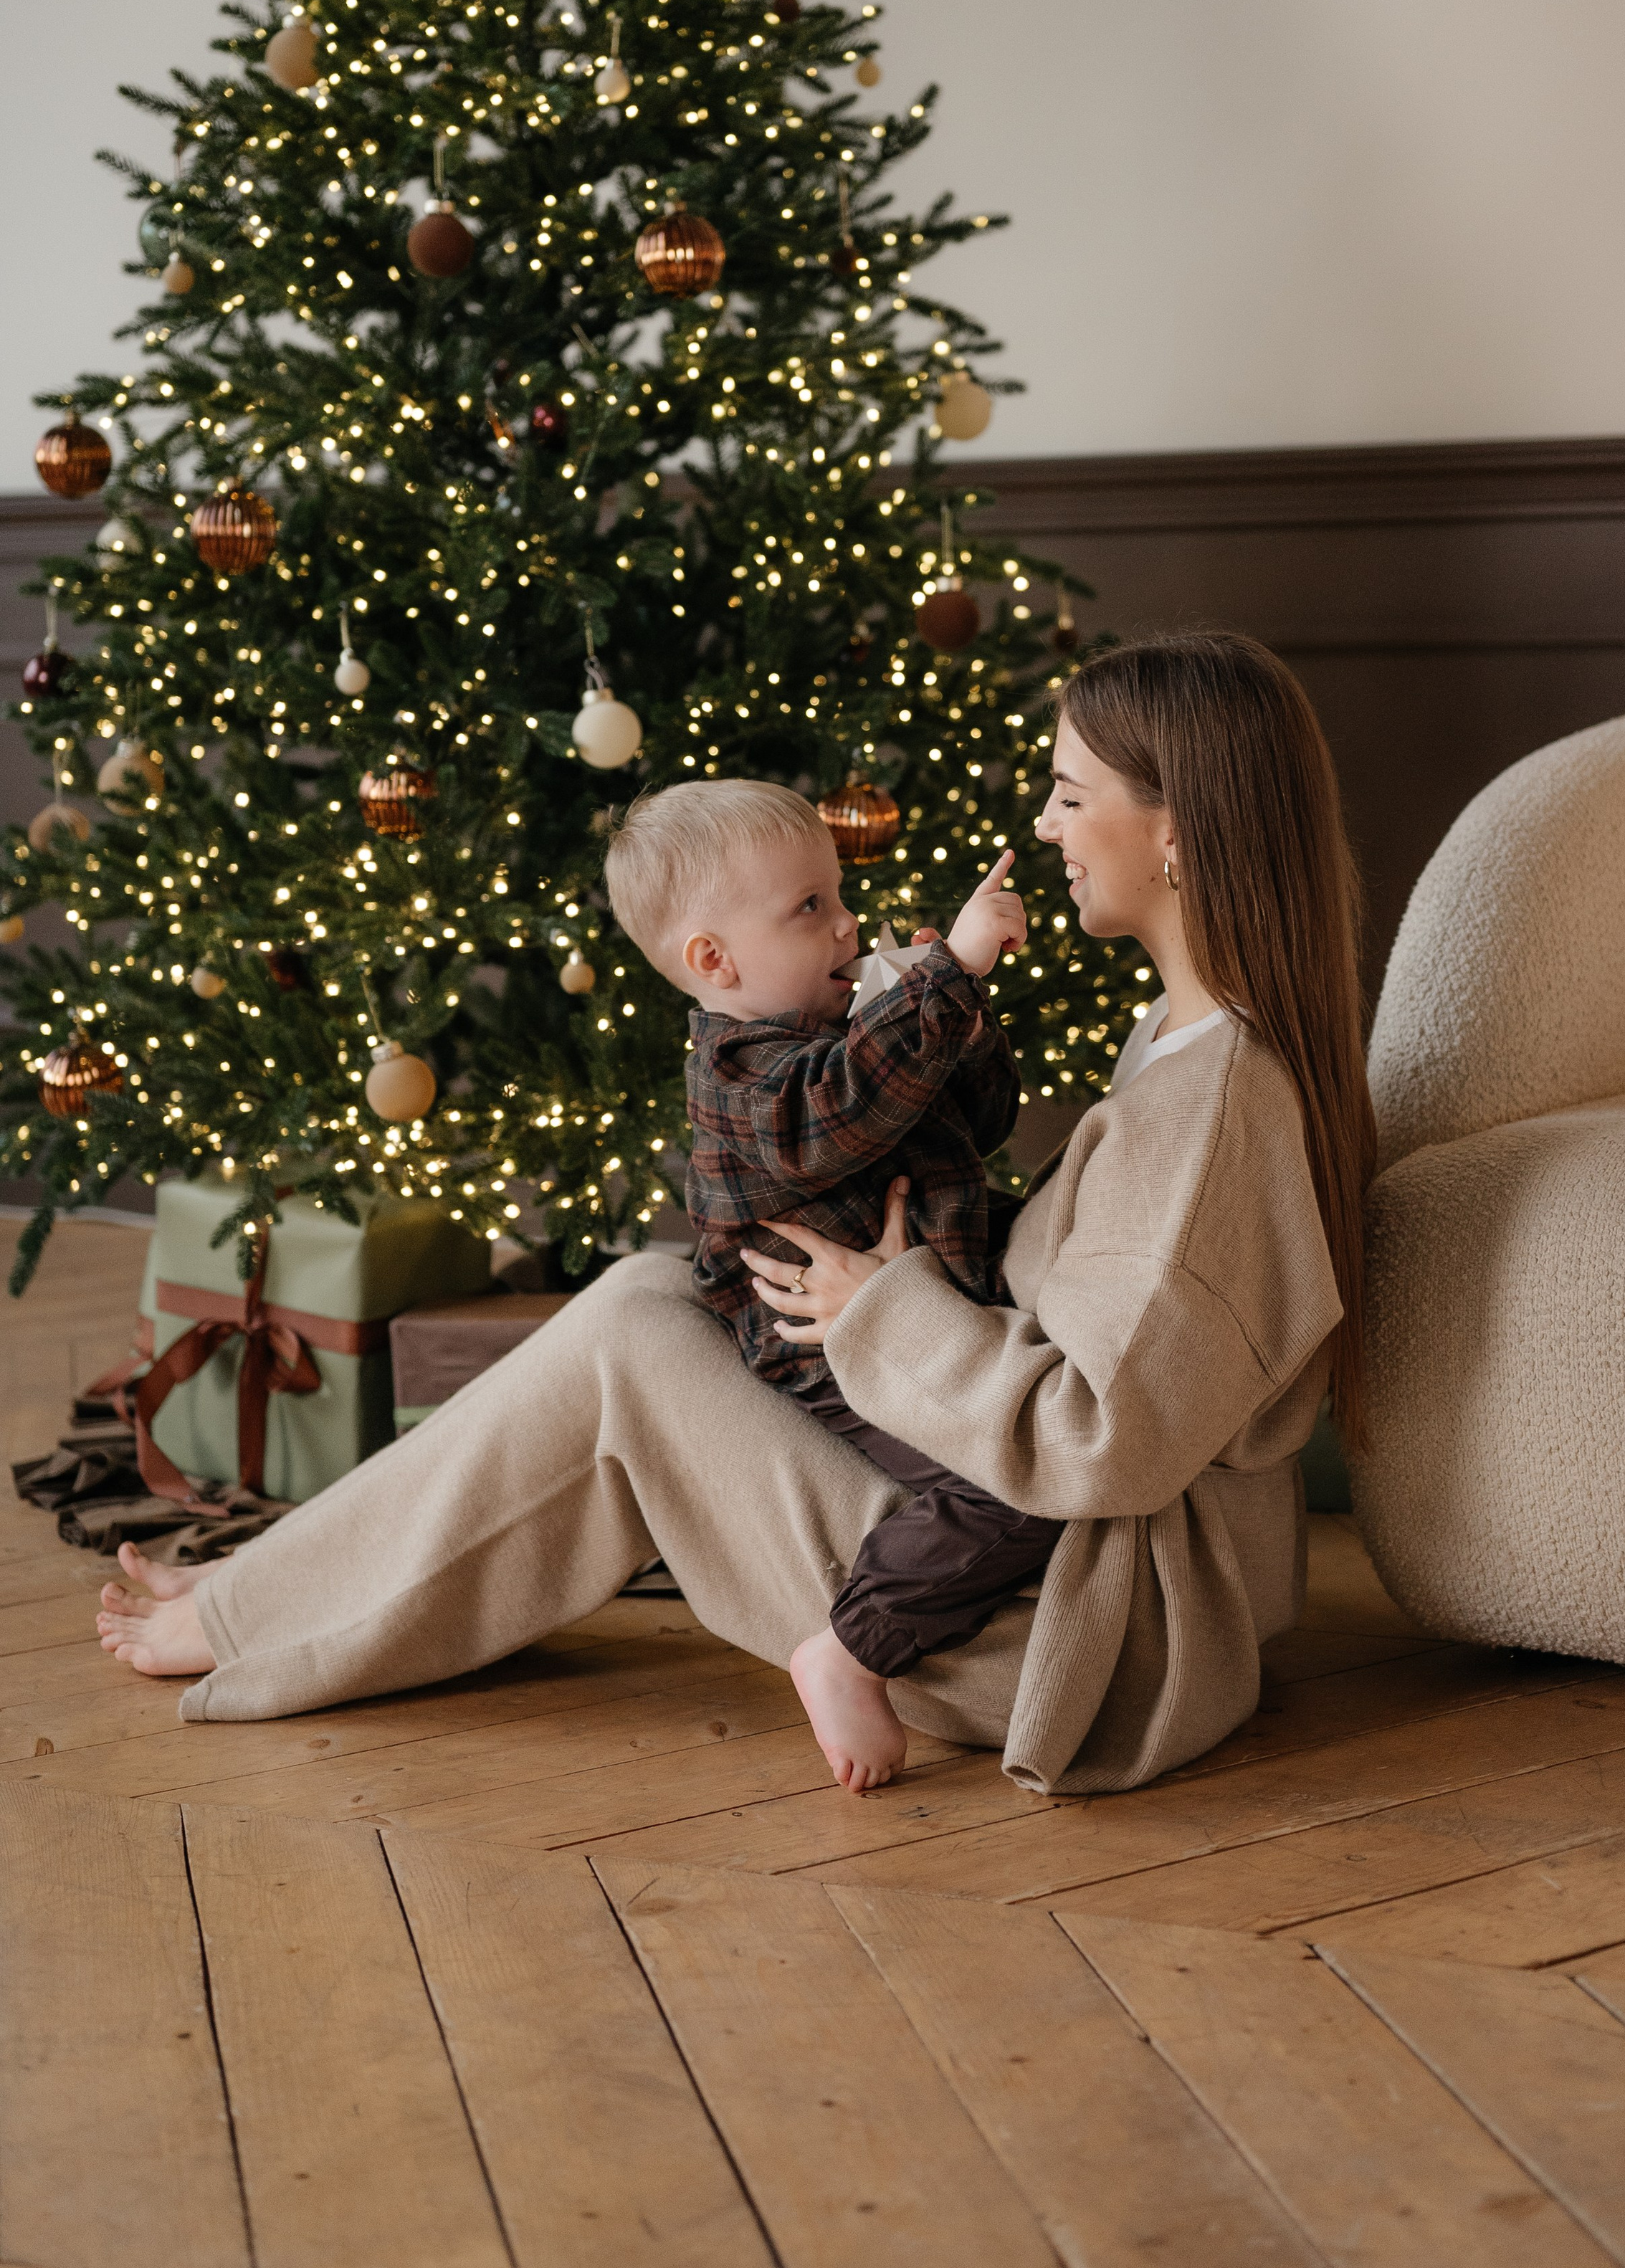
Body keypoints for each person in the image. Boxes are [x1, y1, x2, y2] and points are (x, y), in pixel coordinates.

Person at [96, 632, 1375, 1804]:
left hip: (1076, 1621)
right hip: (1048, 1552)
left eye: (1072, 793)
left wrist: (884, 1308)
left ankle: (257, 1609)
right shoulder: (1184, 1038)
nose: (1042, 824)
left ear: (1176, 831)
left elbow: (1101, 1445)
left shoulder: (1212, 1111)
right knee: (653, 1296)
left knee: (634, 1350)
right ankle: (271, 1585)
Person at [603, 778, 1056, 1791]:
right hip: (818, 1348)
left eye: (839, 894)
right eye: (809, 908)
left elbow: (975, 1124)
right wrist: (951, 976)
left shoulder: (855, 1035)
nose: (848, 922)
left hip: (924, 1309)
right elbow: (833, 1119)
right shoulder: (748, 1075)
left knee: (1038, 1441)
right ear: (714, 961)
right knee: (1013, 1485)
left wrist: (963, 1023)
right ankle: (851, 1652)